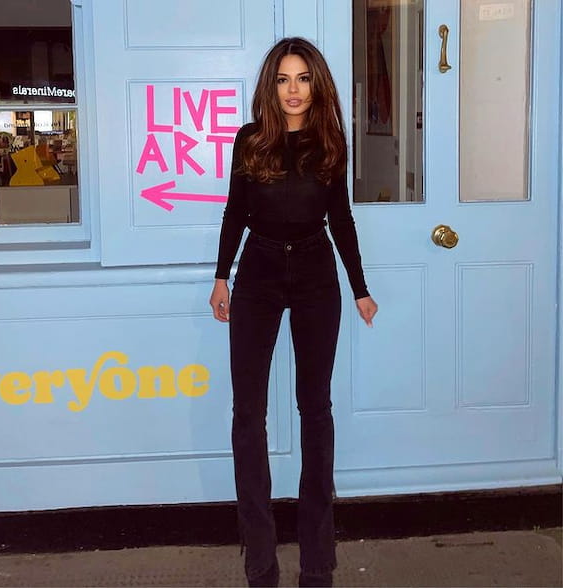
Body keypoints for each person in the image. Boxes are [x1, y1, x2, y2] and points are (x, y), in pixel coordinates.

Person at [209, 37, 378, 588]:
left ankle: (317, 562)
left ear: (317, 84)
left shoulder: (330, 142)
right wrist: (221, 277)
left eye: (303, 78)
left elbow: (342, 219)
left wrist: (359, 287)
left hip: (313, 273)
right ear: (270, 86)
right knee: (247, 417)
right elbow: (235, 211)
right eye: (283, 79)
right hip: (256, 271)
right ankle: (260, 559)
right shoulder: (249, 140)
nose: (293, 90)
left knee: (316, 412)